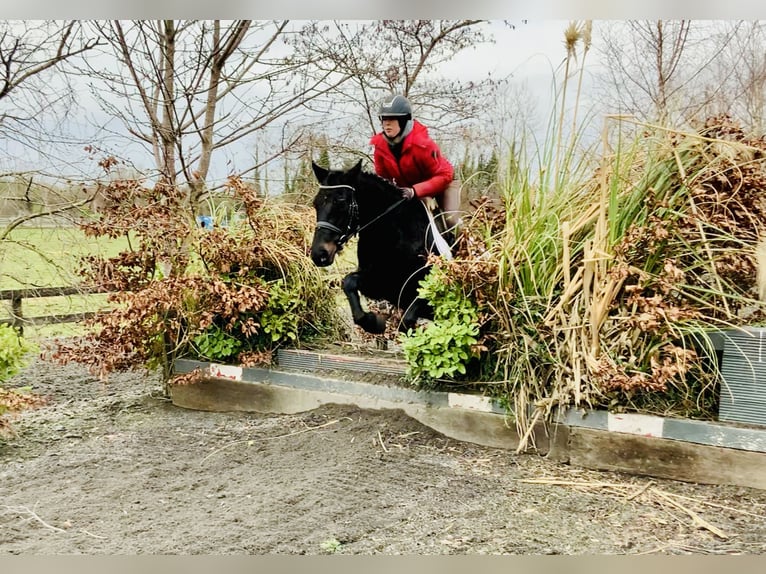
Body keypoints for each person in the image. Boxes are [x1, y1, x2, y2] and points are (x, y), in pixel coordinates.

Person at [369, 94, 461, 230]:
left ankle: (470, 247)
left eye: (392, 119)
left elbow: (445, 175)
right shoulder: (380, 146)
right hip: (411, 191)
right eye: (384, 119)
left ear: (403, 120)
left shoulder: (422, 144)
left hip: (444, 185)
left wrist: (415, 191)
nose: (387, 123)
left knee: (452, 222)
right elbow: (383, 179)